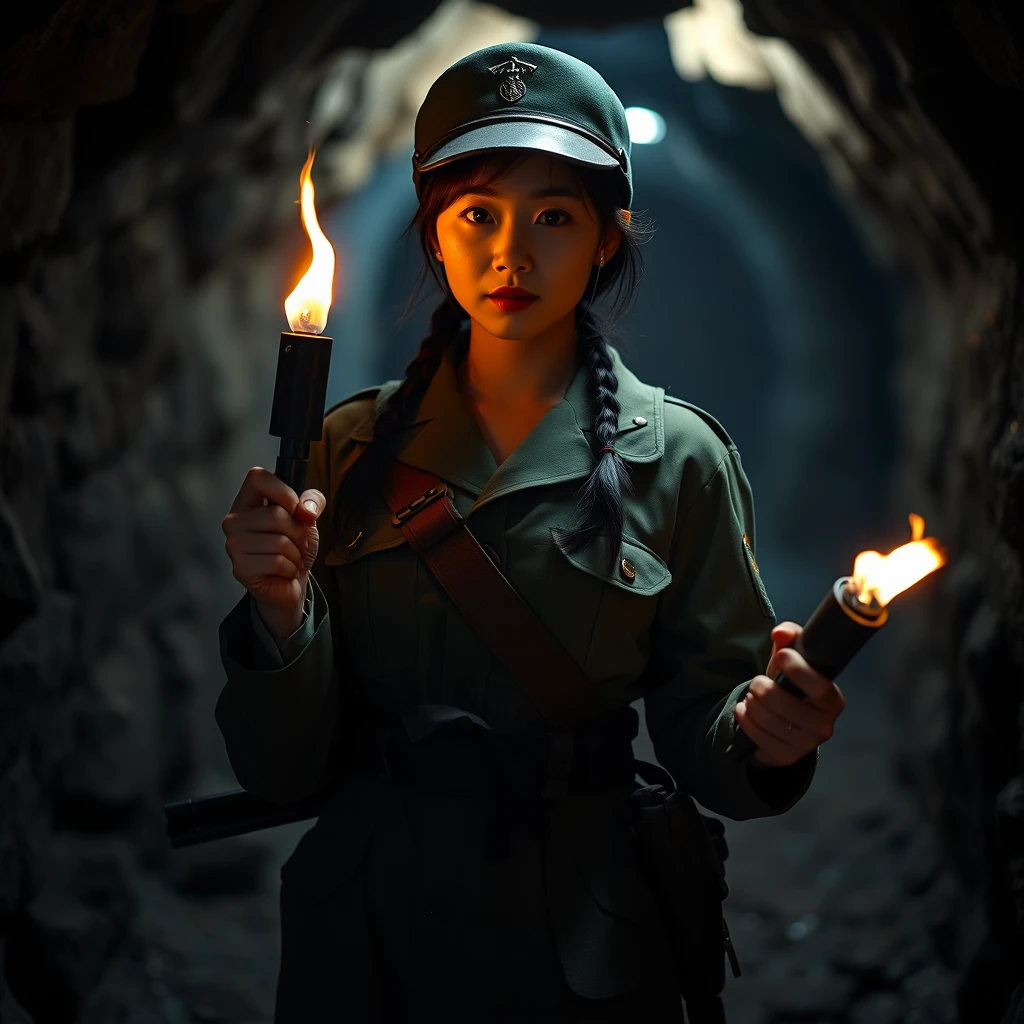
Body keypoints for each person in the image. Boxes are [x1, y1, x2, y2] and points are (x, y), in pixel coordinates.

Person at [215, 41, 846, 1023]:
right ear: (433, 236)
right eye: (477, 215)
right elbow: (281, 768)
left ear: (606, 236)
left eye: (553, 215)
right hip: (371, 927)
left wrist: (769, 737)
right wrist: (279, 613)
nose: (512, 251)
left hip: (580, 928)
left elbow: (709, 736)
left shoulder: (678, 459)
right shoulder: (342, 452)